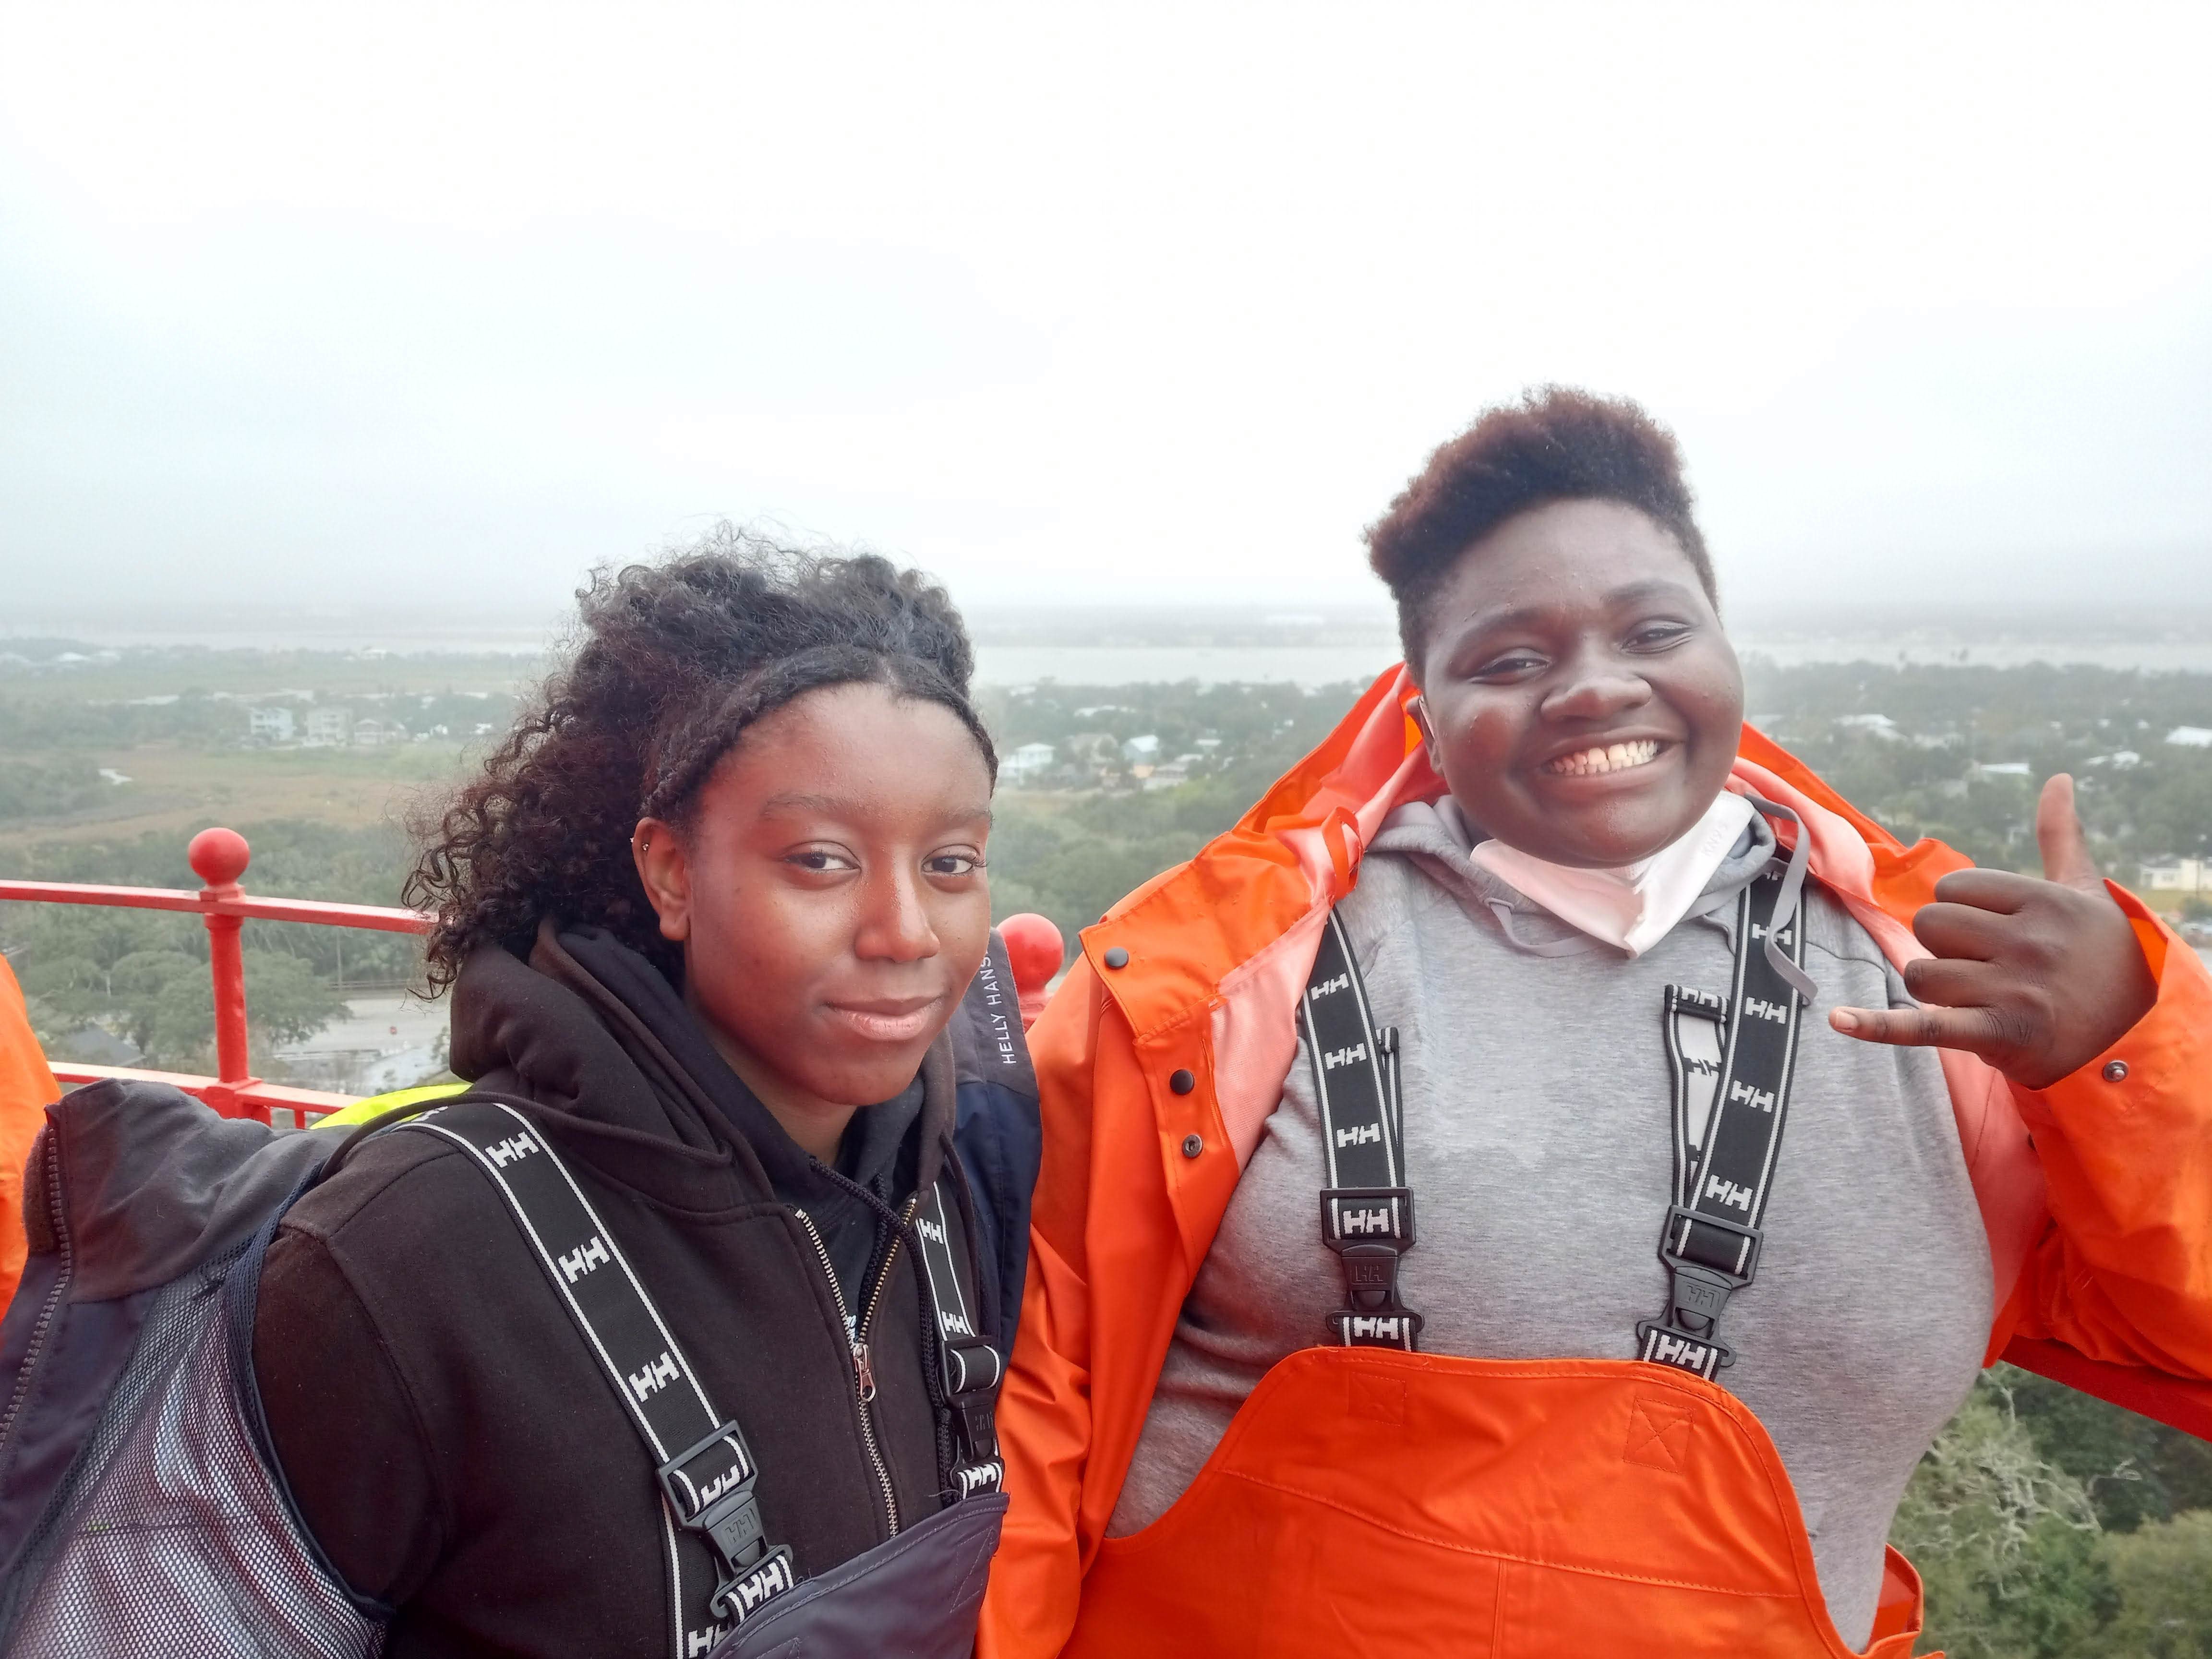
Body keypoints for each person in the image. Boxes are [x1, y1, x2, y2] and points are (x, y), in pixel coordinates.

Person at [980, 390, 2212, 1658]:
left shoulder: (1963, 1005)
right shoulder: (1219, 993)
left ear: (1723, 647)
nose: (1592, 688)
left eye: (1653, 628)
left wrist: (2129, 1045)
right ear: (1424, 706)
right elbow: (1022, 1425)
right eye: (1510, 659)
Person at [253, 534, 1034, 1658]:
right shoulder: (409, 1256)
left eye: (951, 864)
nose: (907, 932)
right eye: (820, 860)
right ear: (670, 870)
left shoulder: (949, 1189)